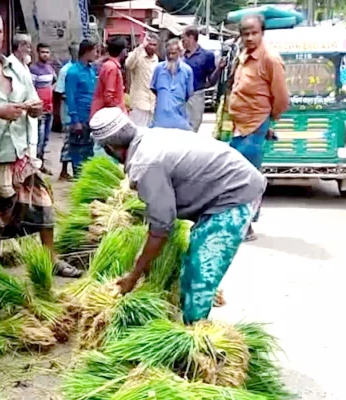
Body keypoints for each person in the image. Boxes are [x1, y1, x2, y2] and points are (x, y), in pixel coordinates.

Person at [89, 107, 266, 324]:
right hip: (224, 187)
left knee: (201, 273)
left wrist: (133, 276)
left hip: (235, 193)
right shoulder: (146, 137)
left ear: (109, 147)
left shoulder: (146, 163)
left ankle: (194, 335)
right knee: (192, 265)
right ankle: (190, 320)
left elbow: (162, 228)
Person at [0, 9, 82, 277]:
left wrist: (34, 109)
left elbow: (34, 101)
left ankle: (51, 259)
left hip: (21, 152)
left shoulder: (17, 67)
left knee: (43, 204)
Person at [228, 14, 289, 241]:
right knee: (234, 175)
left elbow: (281, 99)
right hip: (238, 126)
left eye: (254, 33)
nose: (250, 37)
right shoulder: (244, 56)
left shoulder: (270, 59)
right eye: (246, 33)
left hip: (254, 125)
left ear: (262, 33)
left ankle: (247, 226)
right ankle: (241, 222)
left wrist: (267, 121)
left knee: (247, 177)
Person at [181, 26, 228, 132]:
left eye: (183, 38)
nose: (182, 41)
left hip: (196, 96)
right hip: (179, 97)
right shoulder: (180, 55)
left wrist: (219, 69)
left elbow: (211, 81)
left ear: (191, 38)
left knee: (193, 128)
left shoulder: (207, 56)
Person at [64, 39, 99, 176]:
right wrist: (75, 120)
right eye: (95, 51)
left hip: (90, 117)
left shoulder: (91, 71)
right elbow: (70, 97)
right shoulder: (73, 72)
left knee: (89, 152)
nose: (96, 54)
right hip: (79, 118)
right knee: (78, 152)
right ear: (87, 52)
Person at [150, 38, 194, 130]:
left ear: (179, 53)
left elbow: (188, 94)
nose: (170, 56)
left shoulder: (187, 70)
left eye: (173, 53)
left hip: (179, 117)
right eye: (168, 53)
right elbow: (153, 88)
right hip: (160, 118)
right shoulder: (159, 68)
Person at [8, 33, 39, 157]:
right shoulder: (10, 64)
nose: (30, 50)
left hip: (28, 112)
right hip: (18, 111)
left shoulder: (24, 65)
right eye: (28, 47)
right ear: (20, 46)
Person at [53, 42, 79, 181]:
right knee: (68, 142)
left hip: (79, 112)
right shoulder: (66, 70)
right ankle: (63, 171)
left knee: (76, 143)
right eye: (76, 51)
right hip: (68, 111)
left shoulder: (81, 68)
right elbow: (60, 92)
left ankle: (74, 170)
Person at [30, 43, 57, 173]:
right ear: (37, 53)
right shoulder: (33, 70)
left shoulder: (50, 69)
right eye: (42, 52)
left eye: (47, 52)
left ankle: (41, 164)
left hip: (49, 108)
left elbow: (54, 82)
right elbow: (31, 89)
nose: (45, 54)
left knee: (46, 138)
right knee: (38, 139)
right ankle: (35, 166)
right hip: (39, 110)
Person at [125, 33, 159, 127]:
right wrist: (140, 47)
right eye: (150, 44)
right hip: (139, 102)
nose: (152, 47)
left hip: (151, 103)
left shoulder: (155, 59)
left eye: (154, 45)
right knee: (137, 132)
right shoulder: (136, 55)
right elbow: (128, 64)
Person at [90, 36, 128, 117]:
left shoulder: (109, 65)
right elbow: (109, 98)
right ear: (123, 51)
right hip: (109, 116)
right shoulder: (112, 67)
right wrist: (119, 112)